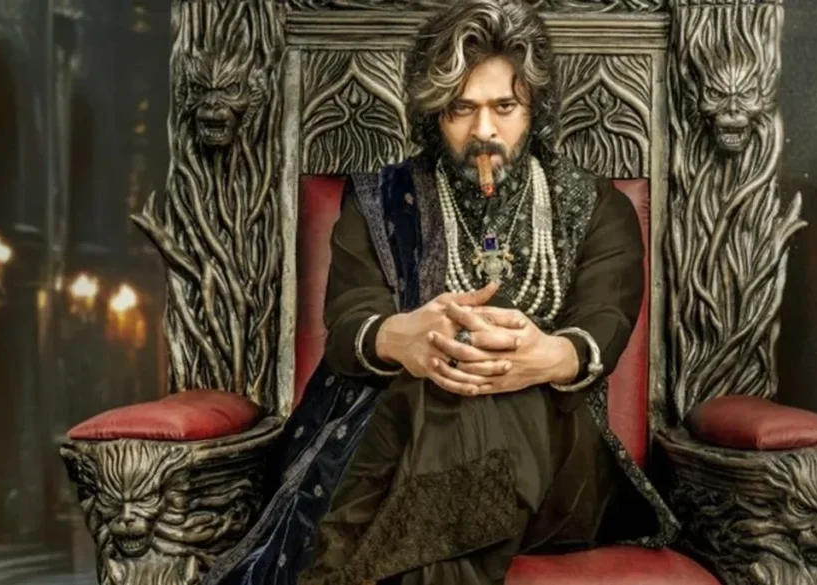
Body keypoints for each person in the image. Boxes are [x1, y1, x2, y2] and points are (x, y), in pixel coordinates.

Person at [204, 2, 677, 584]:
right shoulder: (380, 199)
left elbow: (604, 322)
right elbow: (349, 324)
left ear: (534, 108)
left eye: (504, 107)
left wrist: (546, 357)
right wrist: (399, 339)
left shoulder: (597, 206)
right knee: (441, 385)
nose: (484, 131)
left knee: (472, 387)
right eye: (462, 109)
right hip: (395, 445)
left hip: (558, 471)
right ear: (435, 114)